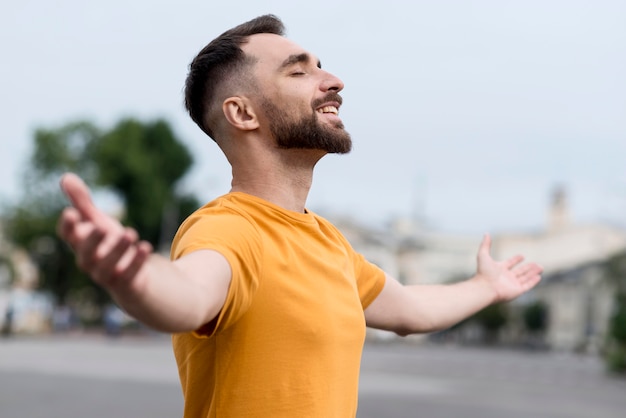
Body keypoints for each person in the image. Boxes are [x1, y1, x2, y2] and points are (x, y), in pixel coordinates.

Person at [57, 14, 543, 418]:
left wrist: (489, 287)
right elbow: (188, 296)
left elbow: (411, 311)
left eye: (321, 67)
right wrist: (133, 279)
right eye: (298, 72)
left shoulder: (327, 241)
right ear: (243, 113)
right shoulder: (228, 229)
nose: (333, 82)